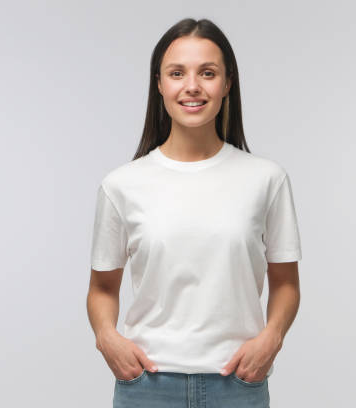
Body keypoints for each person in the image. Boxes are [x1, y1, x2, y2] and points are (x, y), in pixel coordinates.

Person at [87, 17, 302, 408]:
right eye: (176, 73)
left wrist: (271, 339)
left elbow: (286, 282)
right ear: (159, 84)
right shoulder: (121, 185)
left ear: (227, 83)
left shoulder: (266, 179)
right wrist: (106, 338)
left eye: (207, 73)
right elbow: (102, 288)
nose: (192, 86)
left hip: (238, 384)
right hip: (147, 386)